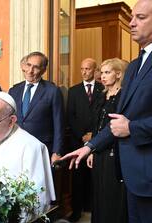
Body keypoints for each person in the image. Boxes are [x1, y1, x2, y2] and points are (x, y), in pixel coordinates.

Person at [61, 0, 152, 222]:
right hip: (131, 174)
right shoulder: (135, 64)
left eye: (140, 18)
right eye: (131, 17)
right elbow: (116, 121)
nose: (131, 23)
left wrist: (132, 128)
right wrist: (90, 147)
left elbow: (126, 125)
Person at [85, 58, 128, 223]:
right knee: (99, 192)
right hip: (98, 151)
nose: (103, 76)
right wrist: (91, 150)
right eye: (102, 72)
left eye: (107, 72)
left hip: (116, 152)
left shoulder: (124, 96)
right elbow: (96, 127)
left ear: (118, 74)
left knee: (113, 193)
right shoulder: (100, 96)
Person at [8, 52, 64, 164]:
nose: (30, 70)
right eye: (28, 65)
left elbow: (59, 123)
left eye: (36, 67)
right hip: (16, 147)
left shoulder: (52, 91)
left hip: (41, 148)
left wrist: (57, 152)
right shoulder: (14, 90)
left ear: (43, 70)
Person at [66, 58, 104, 222]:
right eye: (82, 69)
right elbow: (70, 116)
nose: (84, 72)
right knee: (78, 177)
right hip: (77, 141)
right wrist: (82, 135)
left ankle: (93, 208)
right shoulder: (73, 91)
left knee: (96, 177)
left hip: (98, 140)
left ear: (95, 70)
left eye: (88, 69)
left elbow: (104, 114)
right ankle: (76, 211)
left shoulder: (103, 89)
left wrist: (93, 136)